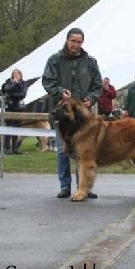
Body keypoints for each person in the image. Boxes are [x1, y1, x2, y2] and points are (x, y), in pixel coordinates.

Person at [42, 27, 102, 199]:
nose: (76, 44)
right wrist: (60, 91)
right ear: (67, 40)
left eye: (79, 41)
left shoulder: (90, 62)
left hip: (83, 117)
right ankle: (65, 186)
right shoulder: (55, 60)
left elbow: (97, 85)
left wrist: (91, 98)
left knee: (85, 152)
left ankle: (84, 187)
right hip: (62, 115)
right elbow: (47, 81)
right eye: (73, 41)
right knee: (63, 150)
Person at [1, 68, 28, 154]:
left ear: (20, 75)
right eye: (14, 73)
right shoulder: (8, 82)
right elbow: (7, 89)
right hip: (9, 107)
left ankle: (15, 148)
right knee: (8, 127)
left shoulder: (23, 83)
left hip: (19, 108)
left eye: (18, 73)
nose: (16, 75)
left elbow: (23, 95)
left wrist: (11, 95)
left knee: (17, 127)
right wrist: (15, 83)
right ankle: (7, 148)